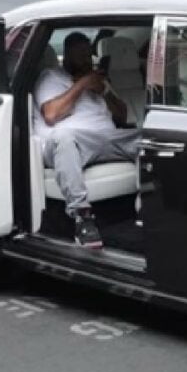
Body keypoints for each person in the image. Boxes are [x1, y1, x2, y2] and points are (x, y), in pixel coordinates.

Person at [34, 32, 139, 248]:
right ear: (68, 55)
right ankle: (82, 217)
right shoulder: (51, 77)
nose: (85, 59)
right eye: (79, 54)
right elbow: (51, 115)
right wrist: (82, 85)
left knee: (149, 137)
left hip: (105, 140)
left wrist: (105, 90)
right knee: (64, 136)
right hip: (71, 142)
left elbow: (122, 116)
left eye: (87, 54)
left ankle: (148, 206)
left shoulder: (97, 79)